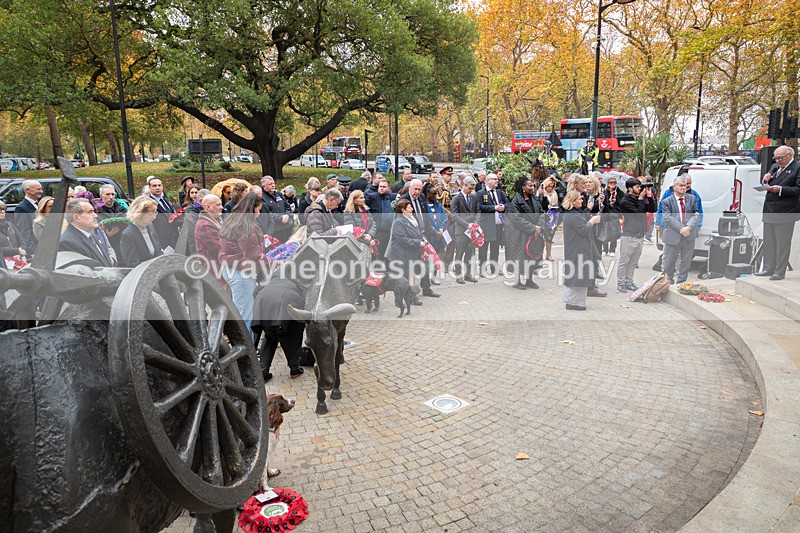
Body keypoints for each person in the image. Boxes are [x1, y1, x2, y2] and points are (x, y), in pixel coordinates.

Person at [218, 193, 265, 333]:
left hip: (231, 269)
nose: (259, 212)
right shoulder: (246, 227)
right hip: (241, 273)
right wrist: (271, 259)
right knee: (246, 314)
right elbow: (252, 254)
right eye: (258, 209)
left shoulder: (234, 220)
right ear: (253, 208)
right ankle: (247, 349)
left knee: (241, 309)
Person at [252, 267, 306, 381]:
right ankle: (294, 369)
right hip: (289, 302)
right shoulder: (302, 272)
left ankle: (263, 371)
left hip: (264, 301)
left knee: (270, 335)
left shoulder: (276, 271)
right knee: (293, 336)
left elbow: (256, 291)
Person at [754, 145, 800, 280]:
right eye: (776, 158)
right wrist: (765, 179)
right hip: (769, 209)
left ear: (789, 156)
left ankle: (780, 271)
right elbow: (766, 183)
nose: (777, 161)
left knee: (782, 243)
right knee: (769, 241)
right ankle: (768, 267)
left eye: (780, 158)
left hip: (785, 211)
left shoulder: (797, 168)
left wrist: (780, 189)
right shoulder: (775, 167)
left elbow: (798, 189)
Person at [561, 190, 601, 310]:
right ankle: (574, 303)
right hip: (577, 250)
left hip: (577, 249)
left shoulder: (573, 213)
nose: (581, 200)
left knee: (579, 276)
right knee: (577, 277)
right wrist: (591, 222)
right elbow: (583, 230)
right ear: (573, 201)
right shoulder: (573, 215)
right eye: (579, 199)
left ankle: (576, 302)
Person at [616, 177, 656, 293]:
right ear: (629, 189)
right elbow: (638, 213)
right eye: (637, 187)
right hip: (629, 235)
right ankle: (621, 282)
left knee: (633, 262)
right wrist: (640, 199)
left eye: (640, 186)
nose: (640, 189)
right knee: (624, 261)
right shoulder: (625, 201)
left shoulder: (639, 199)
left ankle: (629, 281)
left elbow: (652, 209)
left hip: (640, 235)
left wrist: (649, 196)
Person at [400, 179, 438, 298]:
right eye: (415, 189)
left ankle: (426, 288)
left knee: (426, 263)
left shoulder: (421, 197)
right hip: (413, 238)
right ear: (410, 188)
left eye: (419, 189)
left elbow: (425, 215)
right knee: (412, 266)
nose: (417, 192)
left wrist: (429, 232)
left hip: (425, 235)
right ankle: (410, 292)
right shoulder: (404, 199)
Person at [505, 177, 544, 290]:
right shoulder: (515, 201)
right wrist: (533, 228)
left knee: (532, 256)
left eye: (532, 185)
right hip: (520, 234)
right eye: (530, 185)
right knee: (519, 257)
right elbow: (516, 219)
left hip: (534, 232)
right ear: (523, 187)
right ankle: (516, 281)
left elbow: (541, 213)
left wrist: (539, 227)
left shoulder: (534, 199)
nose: (532, 187)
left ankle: (529, 280)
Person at [661, 177, 700, 284]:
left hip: (689, 235)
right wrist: (682, 228)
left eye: (685, 185)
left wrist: (689, 227)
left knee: (686, 262)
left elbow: (696, 214)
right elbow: (668, 217)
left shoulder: (692, 198)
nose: (684, 187)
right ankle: (668, 282)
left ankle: (681, 283)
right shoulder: (667, 201)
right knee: (669, 261)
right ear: (674, 187)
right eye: (681, 185)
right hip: (674, 235)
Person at [59, 199, 113, 267]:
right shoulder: (68, 243)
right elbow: (82, 273)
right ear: (77, 217)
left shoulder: (92, 236)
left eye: (94, 211)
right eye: (90, 212)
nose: (95, 215)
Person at [388, 199, 427, 294]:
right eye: (409, 208)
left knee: (412, 275)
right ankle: (408, 296)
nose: (412, 209)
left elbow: (418, 233)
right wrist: (418, 243)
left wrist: (422, 238)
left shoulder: (412, 220)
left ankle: (412, 294)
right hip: (403, 255)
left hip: (412, 254)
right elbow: (402, 239)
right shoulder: (399, 222)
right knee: (406, 277)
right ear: (403, 210)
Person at [449, 176, 479, 284]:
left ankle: (467, 274)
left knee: (470, 252)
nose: (471, 191)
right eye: (469, 188)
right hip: (461, 230)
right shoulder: (456, 198)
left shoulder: (473, 197)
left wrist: (475, 222)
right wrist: (467, 225)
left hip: (472, 230)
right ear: (464, 185)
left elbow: (477, 211)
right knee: (460, 253)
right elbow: (454, 215)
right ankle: (458, 274)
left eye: (472, 189)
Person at [476, 173, 507, 275]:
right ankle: (482, 269)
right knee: (484, 248)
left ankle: (494, 269)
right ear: (488, 181)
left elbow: (507, 203)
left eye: (497, 179)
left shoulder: (500, 192)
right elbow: (480, 207)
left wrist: (504, 207)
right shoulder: (481, 193)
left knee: (495, 248)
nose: (496, 181)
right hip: (486, 224)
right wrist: (494, 208)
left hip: (498, 224)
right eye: (494, 179)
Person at [119, 196, 161, 268]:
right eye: (150, 214)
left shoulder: (150, 226)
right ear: (139, 214)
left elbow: (158, 251)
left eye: (155, 213)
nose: (154, 217)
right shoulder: (128, 235)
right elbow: (133, 264)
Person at [194, 193, 224, 284]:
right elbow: (219, 249)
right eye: (218, 204)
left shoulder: (213, 221)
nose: (222, 207)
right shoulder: (205, 225)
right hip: (215, 274)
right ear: (208, 207)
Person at [365, 178, 397, 259]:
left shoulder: (393, 197)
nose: (381, 188)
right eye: (380, 186)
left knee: (390, 253)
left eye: (384, 187)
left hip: (391, 231)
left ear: (389, 188)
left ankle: (388, 269)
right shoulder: (372, 197)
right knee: (378, 253)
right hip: (379, 231)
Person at [423, 182, 447, 285]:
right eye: (433, 193)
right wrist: (434, 231)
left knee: (437, 256)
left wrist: (441, 230)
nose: (435, 196)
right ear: (427, 193)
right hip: (430, 236)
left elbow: (444, 216)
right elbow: (425, 221)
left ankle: (434, 275)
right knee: (429, 257)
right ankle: (428, 276)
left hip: (439, 235)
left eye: (436, 193)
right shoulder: (423, 205)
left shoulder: (437, 204)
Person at [13, 179, 42, 256]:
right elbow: (24, 231)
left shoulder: (39, 203)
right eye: (38, 189)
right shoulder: (21, 207)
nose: (41, 191)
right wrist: (32, 252)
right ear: (27, 190)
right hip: (34, 250)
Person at [260, 176, 293, 242]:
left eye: (273, 183)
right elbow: (266, 213)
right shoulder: (261, 197)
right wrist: (280, 218)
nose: (272, 185)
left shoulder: (279, 194)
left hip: (286, 226)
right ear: (263, 186)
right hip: (274, 229)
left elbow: (287, 206)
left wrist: (287, 215)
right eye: (270, 184)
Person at [148, 177, 179, 249]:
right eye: (154, 186)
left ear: (162, 187)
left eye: (159, 185)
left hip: (173, 237)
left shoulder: (165, 200)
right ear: (149, 188)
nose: (157, 188)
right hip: (161, 240)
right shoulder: (148, 203)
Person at [600, 176, 624, 256]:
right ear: (608, 184)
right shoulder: (605, 192)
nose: (613, 184)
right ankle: (605, 249)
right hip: (606, 214)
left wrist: (616, 198)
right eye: (611, 182)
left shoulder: (619, 192)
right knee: (605, 231)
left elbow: (622, 203)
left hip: (615, 214)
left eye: (614, 182)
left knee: (614, 231)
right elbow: (603, 203)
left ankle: (612, 250)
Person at [539, 177, 560, 261]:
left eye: (552, 186)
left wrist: (556, 179)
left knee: (550, 236)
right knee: (541, 237)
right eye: (549, 186)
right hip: (543, 216)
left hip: (553, 216)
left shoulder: (555, 193)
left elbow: (562, 187)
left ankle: (548, 254)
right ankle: (540, 254)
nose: (550, 188)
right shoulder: (540, 192)